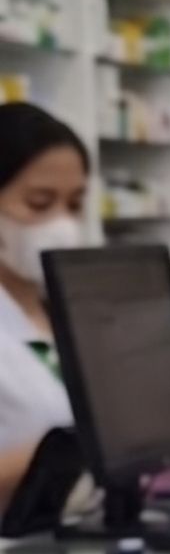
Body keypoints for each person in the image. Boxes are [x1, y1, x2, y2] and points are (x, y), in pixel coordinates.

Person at [0, 103, 86, 505]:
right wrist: (72, 453)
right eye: (39, 203)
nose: (62, 224)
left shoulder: (66, 308)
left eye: (74, 204)